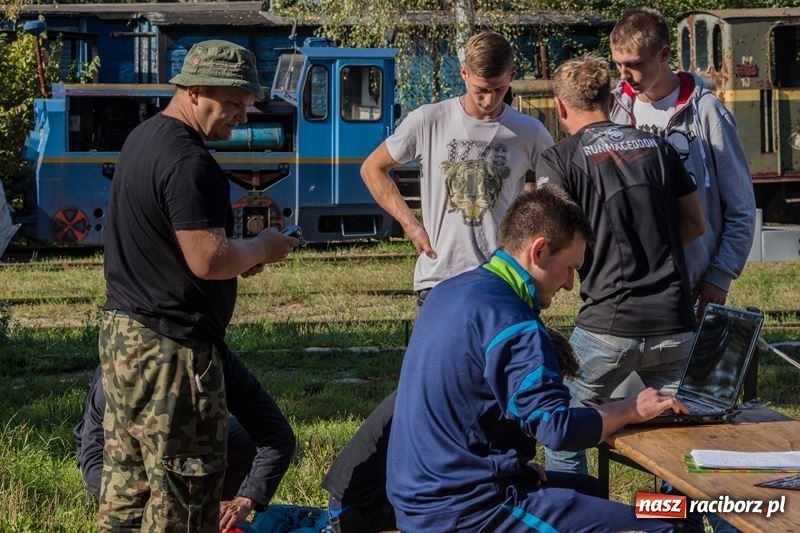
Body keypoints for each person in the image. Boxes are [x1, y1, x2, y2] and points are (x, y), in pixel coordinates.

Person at [387, 187, 686, 532]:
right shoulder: (513, 322)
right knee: (659, 526)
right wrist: (632, 408)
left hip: (426, 495)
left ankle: (679, 514)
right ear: (540, 251)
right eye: (570, 267)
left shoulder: (450, 292)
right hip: (469, 511)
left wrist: (510, 466)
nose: (570, 284)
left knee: (591, 490)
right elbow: (556, 428)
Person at [99, 39, 299, 531]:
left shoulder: (143, 138)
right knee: (184, 504)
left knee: (128, 494)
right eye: (231, 103)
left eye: (246, 105)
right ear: (193, 91)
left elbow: (170, 250)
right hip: (173, 353)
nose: (241, 117)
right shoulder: (190, 160)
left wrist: (236, 259)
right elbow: (208, 258)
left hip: (125, 338)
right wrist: (263, 247)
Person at [535, 56, 705, 477]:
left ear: (560, 106)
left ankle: (574, 509)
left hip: (607, 324)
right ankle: (677, 512)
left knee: (564, 430)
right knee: (684, 437)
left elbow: (556, 240)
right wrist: (653, 251)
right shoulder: (658, 146)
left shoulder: (559, 159)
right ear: (612, 101)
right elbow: (695, 224)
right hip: (675, 321)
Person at [360, 30, 554, 306]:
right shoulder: (429, 120)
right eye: (481, 90)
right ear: (464, 73)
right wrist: (411, 226)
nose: (490, 100)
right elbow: (372, 169)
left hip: (502, 280)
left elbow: (557, 188)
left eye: (499, 90)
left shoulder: (529, 131)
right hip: (439, 280)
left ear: (512, 74)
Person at [608, 7, 756, 321]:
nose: (624, 75)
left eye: (634, 64)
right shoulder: (614, 110)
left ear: (663, 54)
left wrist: (720, 275)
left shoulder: (707, 113)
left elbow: (741, 206)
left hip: (691, 285)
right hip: (628, 287)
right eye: (618, 64)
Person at [75, 360, 295, 532]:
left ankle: (211, 513)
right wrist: (153, 508)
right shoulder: (122, 366)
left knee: (246, 437)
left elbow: (276, 433)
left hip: (188, 446)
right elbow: (92, 459)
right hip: (134, 459)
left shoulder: (210, 354)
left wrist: (246, 499)